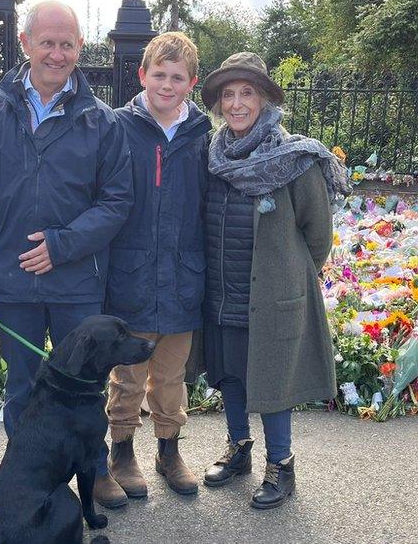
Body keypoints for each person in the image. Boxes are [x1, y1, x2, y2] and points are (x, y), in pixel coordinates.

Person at [0, 0, 132, 504]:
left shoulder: (103, 122)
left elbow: (117, 201)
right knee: (23, 387)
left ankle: (94, 471)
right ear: (25, 43)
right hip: (11, 283)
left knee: (85, 387)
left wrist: (62, 245)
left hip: (76, 282)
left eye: (67, 44)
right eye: (47, 42)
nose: (57, 54)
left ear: (80, 48)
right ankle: (28, 476)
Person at [198, 52, 349, 510]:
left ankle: (281, 465)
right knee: (232, 374)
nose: (237, 103)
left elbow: (318, 235)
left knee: (274, 381)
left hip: (272, 292)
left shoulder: (294, 159)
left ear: (264, 99)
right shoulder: (214, 155)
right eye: (229, 94)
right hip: (223, 288)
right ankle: (239, 448)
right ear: (220, 103)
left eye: (247, 93)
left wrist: (289, 276)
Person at [102, 32, 211, 504]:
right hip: (131, 274)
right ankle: (121, 451)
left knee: (171, 375)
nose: (167, 85)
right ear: (142, 75)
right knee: (127, 374)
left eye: (178, 78)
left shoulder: (205, 135)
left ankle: (169, 450)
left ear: (191, 83)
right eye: (159, 75)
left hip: (184, 273)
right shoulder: (115, 127)